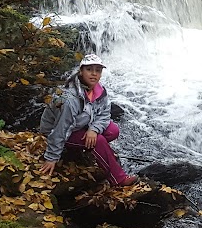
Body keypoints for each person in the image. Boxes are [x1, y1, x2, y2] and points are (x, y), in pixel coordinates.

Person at [38, 54, 138, 186]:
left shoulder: (99, 90)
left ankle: (90, 151)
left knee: (113, 130)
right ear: (81, 71)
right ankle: (118, 179)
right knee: (99, 141)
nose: (94, 74)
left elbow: (104, 114)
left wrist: (94, 129)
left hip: (79, 125)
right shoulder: (69, 99)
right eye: (89, 69)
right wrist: (51, 157)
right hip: (56, 131)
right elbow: (61, 128)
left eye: (98, 70)